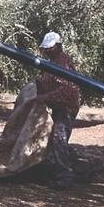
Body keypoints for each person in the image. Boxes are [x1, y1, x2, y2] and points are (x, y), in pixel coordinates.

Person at [36, 32, 82, 189]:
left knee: (59, 139)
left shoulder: (62, 63)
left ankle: (65, 176)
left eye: (50, 48)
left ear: (57, 46)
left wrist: (45, 97)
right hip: (57, 107)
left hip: (66, 108)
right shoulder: (52, 62)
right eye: (46, 49)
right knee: (52, 140)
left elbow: (67, 89)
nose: (47, 51)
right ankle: (55, 172)